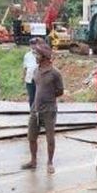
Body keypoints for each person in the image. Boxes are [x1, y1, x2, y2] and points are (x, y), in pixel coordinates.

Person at [21, 43, 63, 174]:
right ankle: (33, 161)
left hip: (49, 109)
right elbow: (36, 88)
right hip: (35, 108)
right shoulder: (36, 71)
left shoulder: (55, 73)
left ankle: (50, 162)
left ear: (44, 57)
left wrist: (49, 97)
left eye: (37, 54)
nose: (35, 56)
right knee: (31, 137)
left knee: (50, 138)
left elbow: (60, 91)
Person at [22, 37, 38, 107]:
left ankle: (39, 112)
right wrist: (23, 77)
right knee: (31, 96)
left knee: (39, 96)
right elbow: (25, 67)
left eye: (35, 44)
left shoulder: (41, 54)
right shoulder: (27, 55)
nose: (33, 46)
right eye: (32, 44)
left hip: (39, 78)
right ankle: (32, 112)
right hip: (29, 78)